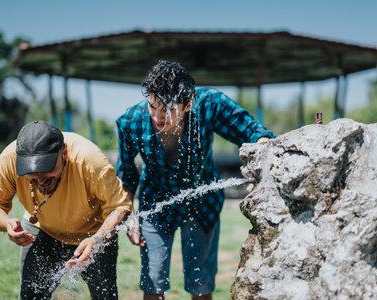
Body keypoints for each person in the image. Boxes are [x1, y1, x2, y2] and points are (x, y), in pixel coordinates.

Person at [116, 60, 275, 299]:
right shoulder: (130, 122)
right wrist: (129, 214)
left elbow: (253, 132)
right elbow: (126, 174)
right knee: (152, 282)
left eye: (168, 109)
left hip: (203, 202)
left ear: (188, 104)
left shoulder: (210, 104)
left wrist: (265, 148)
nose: (158, 117)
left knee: (201, 285)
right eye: (152, 106)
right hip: (155, 203)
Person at [0, 120, 133, 299]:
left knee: (104, 296)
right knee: (32, 295)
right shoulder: (9, 159)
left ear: (64, 152)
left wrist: (98, 239)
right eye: (33, 176)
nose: (41, 181)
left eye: (47, 170)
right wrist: (6, 223)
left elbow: (120, 207)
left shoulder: (89, 160)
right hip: (40, 230)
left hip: (93, 235)